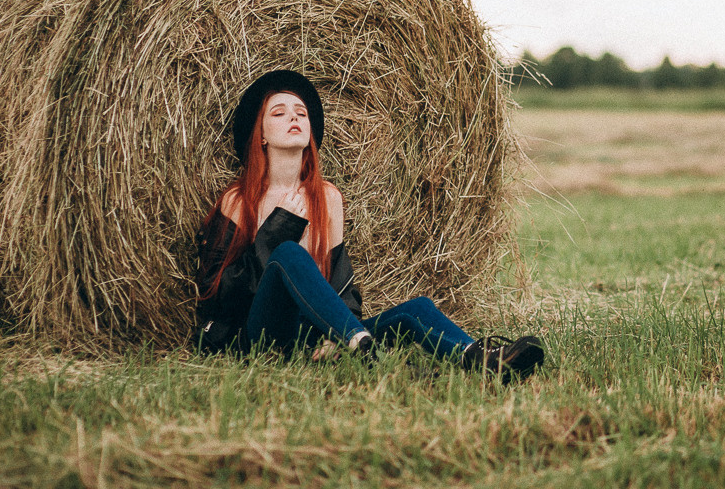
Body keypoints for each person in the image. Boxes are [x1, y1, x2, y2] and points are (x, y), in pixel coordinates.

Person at [194, 69, 544, 380]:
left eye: (301, 112)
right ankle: (363, 347)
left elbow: (341, 284)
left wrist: (334, 334)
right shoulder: (238, 201)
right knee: (288, 252)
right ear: (261, 134)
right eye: (279, 112)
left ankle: (478, 357)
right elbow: (218, 295)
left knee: (417, 309)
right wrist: (276, 232)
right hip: (261, 335)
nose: (294, 117)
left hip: (316, 333)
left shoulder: (327, 198)